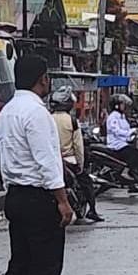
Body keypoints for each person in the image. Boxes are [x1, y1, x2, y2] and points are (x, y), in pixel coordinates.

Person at [0, 54, 79, 275]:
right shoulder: (37, 113)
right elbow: (48, 162)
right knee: (44, 271)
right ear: (42, 79)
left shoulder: (6, 113)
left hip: (15, 196)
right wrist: (63, 202)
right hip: (39, 198)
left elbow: (5, 161)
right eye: (47, 77)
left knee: (18, 268)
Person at [50, 88, 102, 223]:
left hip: (53, 160)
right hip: (69, 161)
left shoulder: (47, 119)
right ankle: (92, 210)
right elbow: (78, 147)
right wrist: (80, 164)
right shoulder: (72, 121)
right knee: (87, 183)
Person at [105, 94, 138, 193]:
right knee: (134, 154)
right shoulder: (113, 117)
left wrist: (135, 132)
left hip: (123, 142)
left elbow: (126, 129)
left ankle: (132, 184)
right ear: (116, 105)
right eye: (122, 104)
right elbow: (117, 131)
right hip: (116, 145)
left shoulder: (122, 116)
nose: (124, 106)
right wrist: (131, 132)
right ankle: (125, 173)